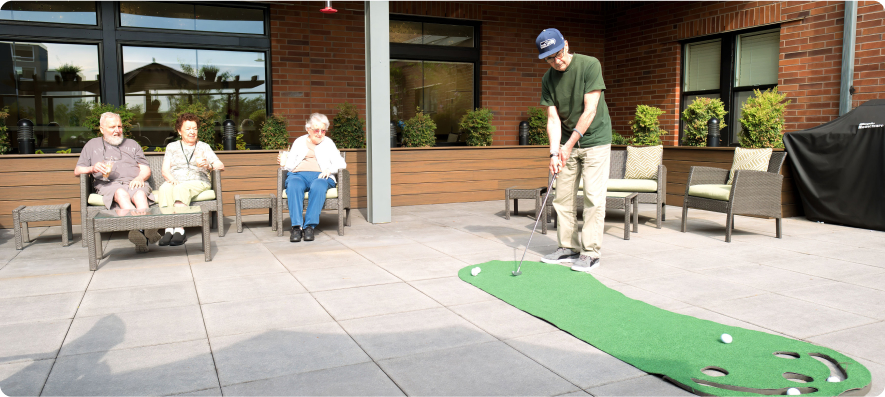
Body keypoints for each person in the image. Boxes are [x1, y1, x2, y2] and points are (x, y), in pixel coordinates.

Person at [535, 28, 612, 272]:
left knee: (592, 197)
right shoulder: (548, 79)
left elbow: (590, 110)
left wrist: (567, 146)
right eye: (549, 58)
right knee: (562, 196)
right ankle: (567, 247)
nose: (556, 61)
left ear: (566, 45)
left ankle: (590, 253)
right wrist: (554, 153)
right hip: (567, 141)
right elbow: (553, 120)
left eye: (558, 53)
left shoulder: (590, 65)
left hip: (595, 139)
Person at [75, 112, 160, 251]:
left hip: (134, 182)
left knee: (139, 194)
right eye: (112, 127)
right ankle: (145, 230)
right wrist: (92, 168)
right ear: (102, 129)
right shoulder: (92, 145)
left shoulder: (132, 144)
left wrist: (139, 178)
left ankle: (140, 234)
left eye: (119, 126)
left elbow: (145, 169)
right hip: (108, 184)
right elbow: (77, 171)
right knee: (121, 193)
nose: (117, 130)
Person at [156, 113, 224, 246]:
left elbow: (220, 165)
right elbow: (165, 170)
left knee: (182, 187)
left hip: (198, 180)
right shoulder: (172, 147)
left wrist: (209, 165)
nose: (192, 132)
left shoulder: (203, 146)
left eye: (195, 128)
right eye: (188, 129)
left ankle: (180, 230)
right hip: (176, 180)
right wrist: (171, 179)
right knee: (165, 188)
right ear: (179, 131)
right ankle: (169, 229)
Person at [278, 113, 346, 242]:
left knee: (319, 186)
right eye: (316, 130)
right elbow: (289, 164)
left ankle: (309, 226)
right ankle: (296, 227)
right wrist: (283, 163)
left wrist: (329, 170)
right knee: (293, 185)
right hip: (298, 175)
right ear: (308, 129)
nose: (320, 133)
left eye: (323, 130)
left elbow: (341, 164)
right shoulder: (299, 141)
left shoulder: (328, 143)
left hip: (321, 176)